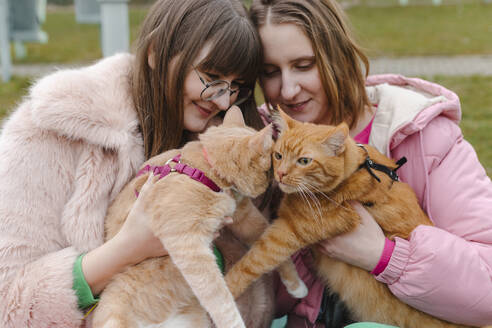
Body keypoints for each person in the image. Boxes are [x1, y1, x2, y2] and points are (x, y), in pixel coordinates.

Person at [0, 0, 264, 326]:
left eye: (235, 86)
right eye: (211, 76)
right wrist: (128, 248)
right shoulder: (51, 131)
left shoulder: (222, 149)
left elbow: (253, 291)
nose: (223, 100)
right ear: (155, 52)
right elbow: (8, 303)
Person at [249, 0, 492, 327]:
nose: (288, 90)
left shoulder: (422, 135)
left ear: (337, 56)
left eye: (304, 65)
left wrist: (385, 256)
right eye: (269, 72)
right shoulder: (265, 144)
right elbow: (258, 294)